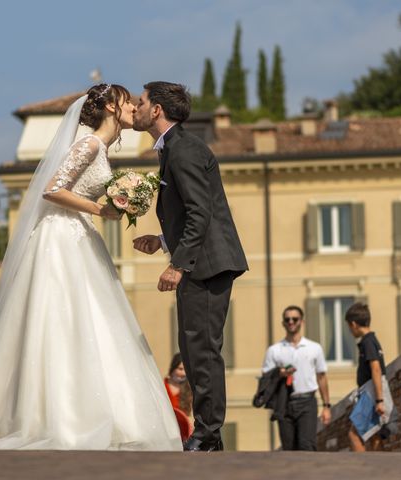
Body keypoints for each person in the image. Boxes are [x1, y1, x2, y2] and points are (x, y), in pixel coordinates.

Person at [0, 84, 182, 451]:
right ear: (112, 106)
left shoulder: (101, 148)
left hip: (79, 236)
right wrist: (100, 209)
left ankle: (93, 411)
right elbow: (51, 189)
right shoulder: (90, 144)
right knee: (63, 319)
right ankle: (58, 418)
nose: (133, 108)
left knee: (89, 321)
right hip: (61, 239)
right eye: (128, 102)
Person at [132, 81, 248, 452]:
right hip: (202, 262)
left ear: (157, 110)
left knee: (203, 350)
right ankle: (207, 434)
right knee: (194, 348)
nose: (136, 107)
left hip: (208, 266)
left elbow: (201, 212)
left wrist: (178, 265)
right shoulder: (176, 148)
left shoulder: (182, 149)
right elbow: (194, 214)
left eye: (141, 102)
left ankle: (208, 434)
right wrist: (164, 242)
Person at [261, 305, 331, 451]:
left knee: (306, 446)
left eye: (295, 319)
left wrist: (326, 406)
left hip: (307, 402)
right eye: (287, 319)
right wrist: (279, 373)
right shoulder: (274, 350)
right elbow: (265, 378)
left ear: (302, 322)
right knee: (288, 448)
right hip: (284, 403)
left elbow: (322, 377)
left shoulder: (314, 348)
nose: (291, 322)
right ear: (283, 323)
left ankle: (309, 474)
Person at [345, 302, 393, 452]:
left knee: (354, 435)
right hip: (373, 392)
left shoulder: (367, 342)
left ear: (353, 324)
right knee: (375, 436)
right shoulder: (372, 340)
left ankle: (362, 471)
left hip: (371, 394)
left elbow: (376, 369)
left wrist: (379, 401)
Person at [164, 353, 193, 441]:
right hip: (164, 431)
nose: (183, 373)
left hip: (181, 435)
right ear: (173, 368)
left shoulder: (190, 390)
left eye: (186, 370)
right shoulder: (161, 387)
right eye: (180, 369)